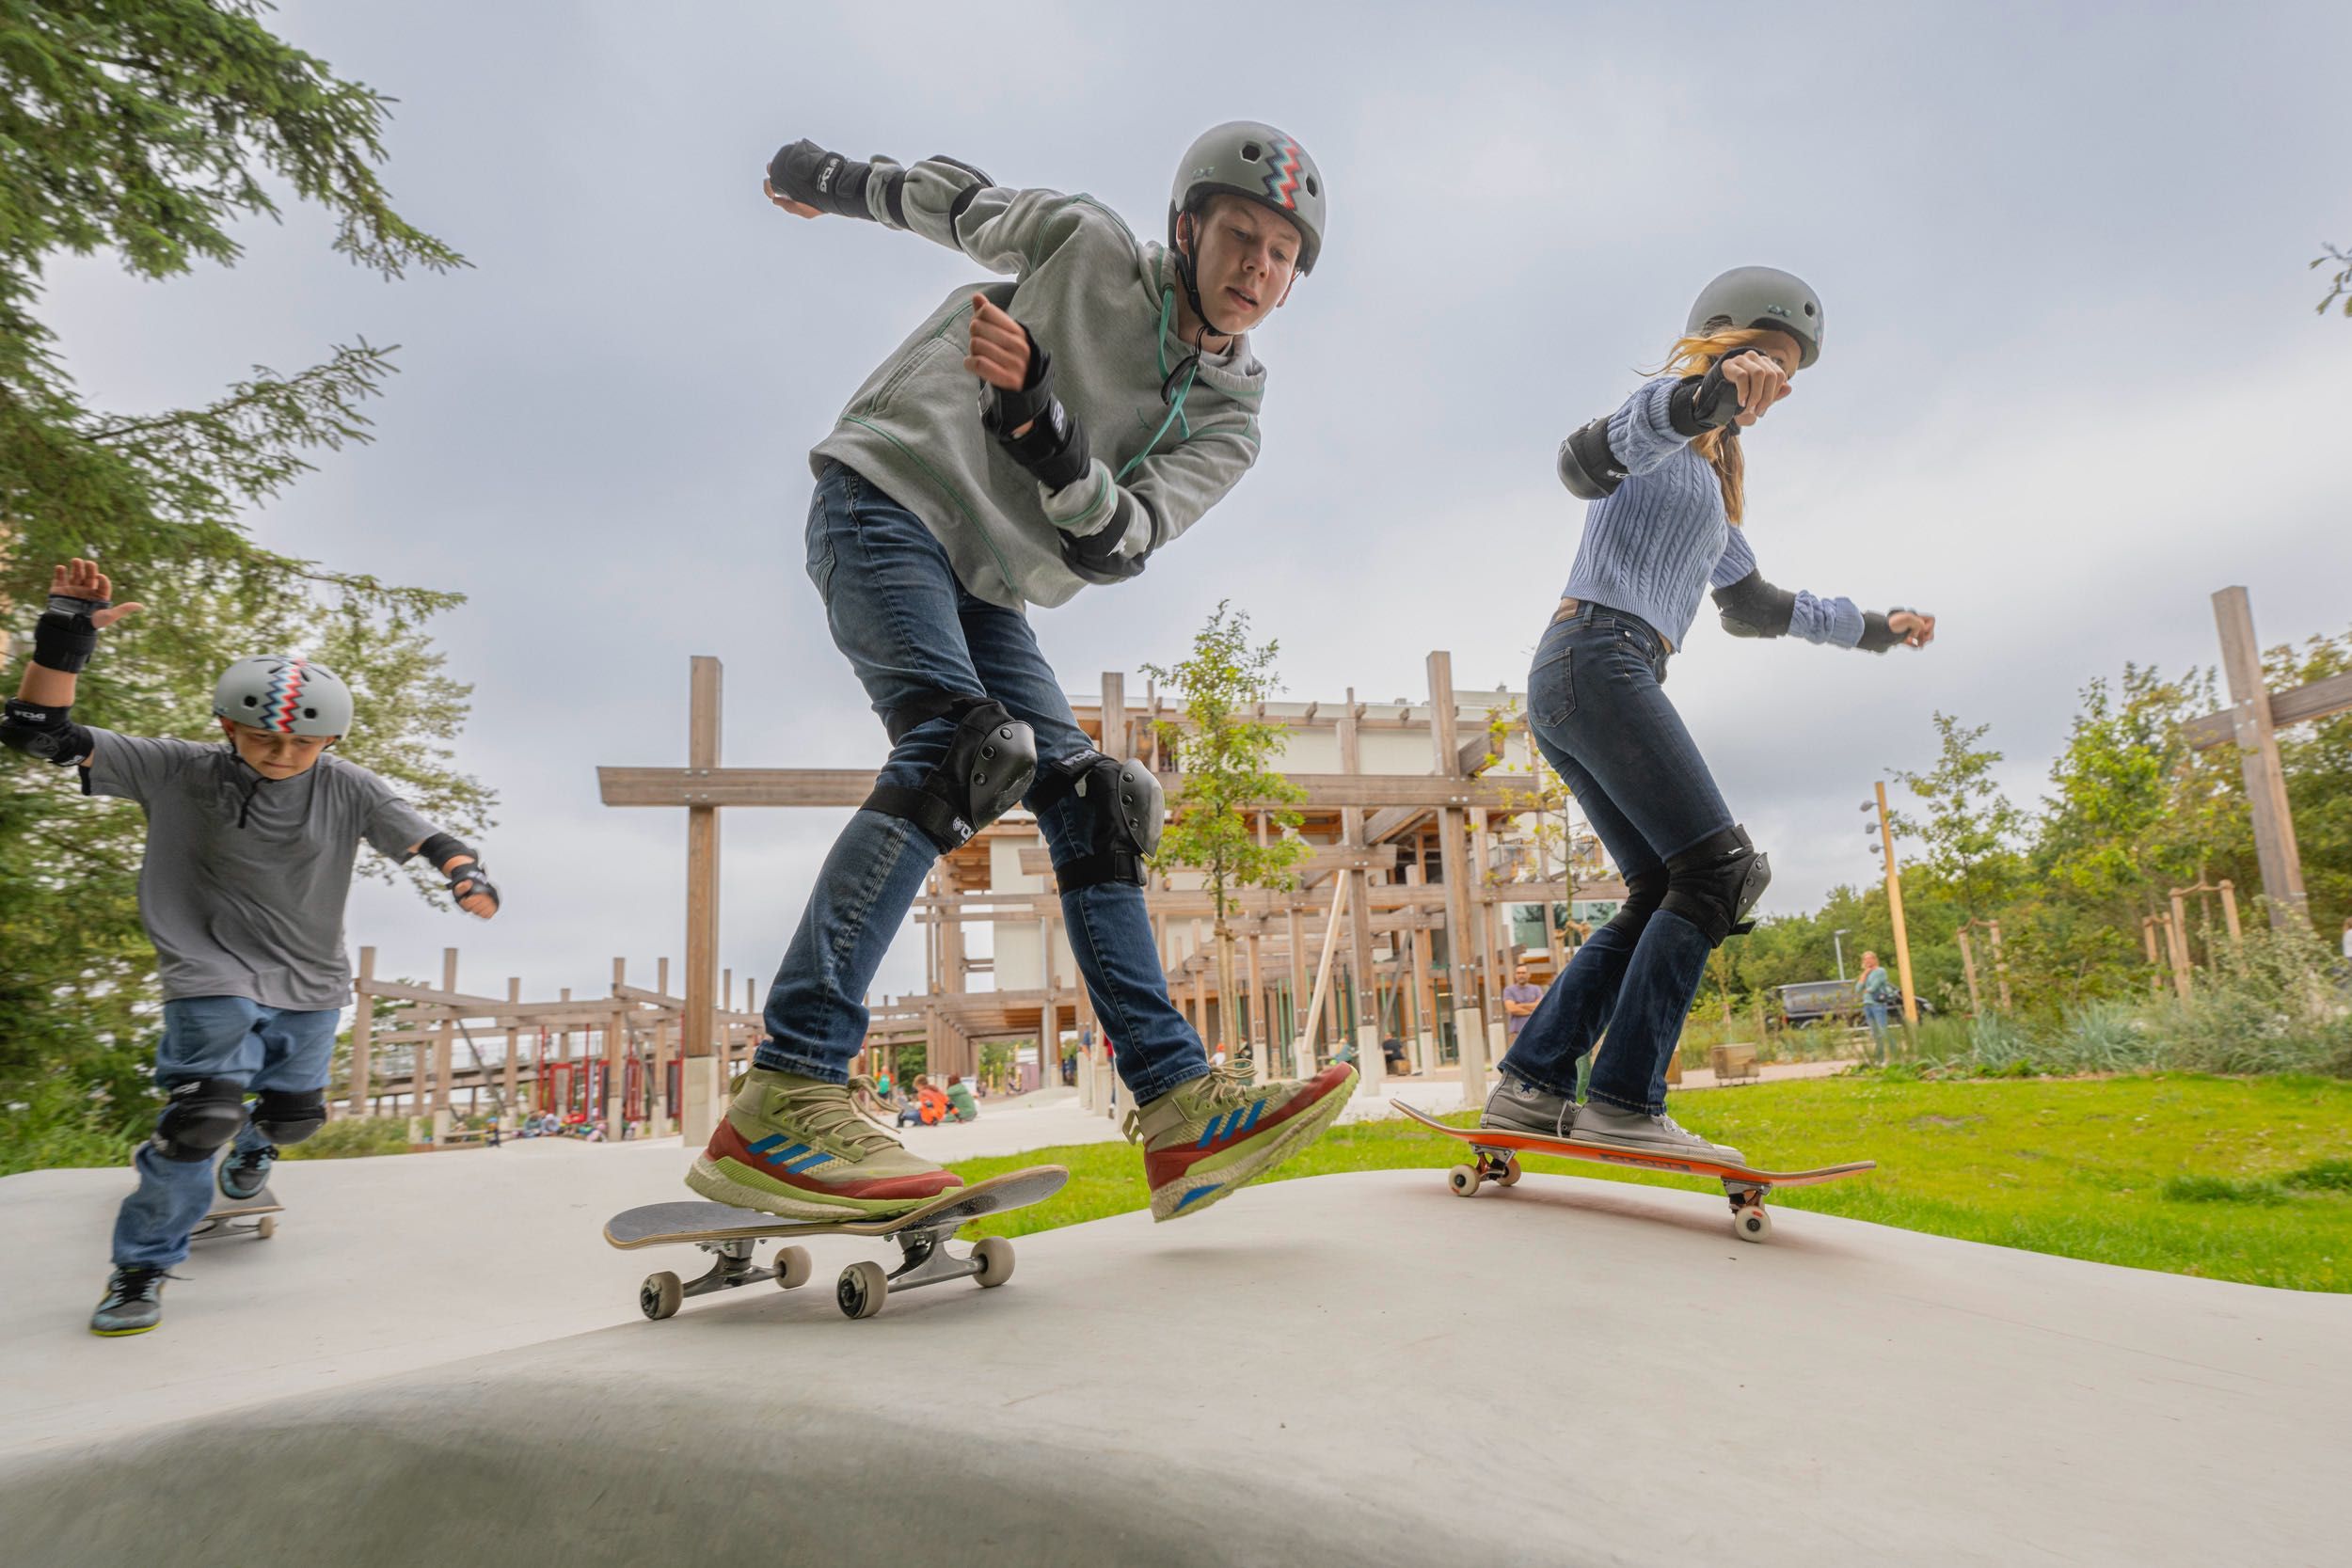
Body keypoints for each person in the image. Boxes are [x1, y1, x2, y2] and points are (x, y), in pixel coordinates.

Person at [689, 122, 1357, 1227]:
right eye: (1238, 236)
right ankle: (786, 1089)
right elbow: (956, 204)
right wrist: (834, 180)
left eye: (1281, 256)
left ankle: (1178, 1107)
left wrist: (1047, 434)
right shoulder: (1085, 244)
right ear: (1187, 228)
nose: (1255, 268)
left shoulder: (1232, 416)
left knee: (1098, 798)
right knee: (963, 750)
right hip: (888, 495)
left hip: (989, 580)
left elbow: (1123, 541)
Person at [1484, 269, 1937, 1162]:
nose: (1776, 381)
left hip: (1589, 673)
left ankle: (1531, 1086)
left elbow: (1760, 605)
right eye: (1766, 357)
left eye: (1788, 370)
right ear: (1721, 339)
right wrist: (1703, 397)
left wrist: (1881, 628)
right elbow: (1587, 459)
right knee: (1722, 873)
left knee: (1665, 887)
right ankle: (1622, 1099)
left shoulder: (1709, 488)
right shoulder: (1659, 414)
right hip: (1597, 658)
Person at [3, 560, 502, 1337]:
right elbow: (39, 736)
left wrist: (464, 875)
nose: (280, 754)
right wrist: (64, 637)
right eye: (262, 738)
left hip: (312, 979)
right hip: (206, 965)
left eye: (301, 745)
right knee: (198, 1117)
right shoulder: (176, 768)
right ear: (226, 727)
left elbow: (431, 836)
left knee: (296, 1115)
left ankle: (262, 1147)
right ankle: (140, 1268)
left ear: (330, 739)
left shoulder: (351, 786)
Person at [1856, 950, 1899, 1062]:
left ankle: (1896, 1054)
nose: (1867, 960)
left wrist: (1866, 989)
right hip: (1867, 1005)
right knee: (1875, 1034)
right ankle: (1880, 1059)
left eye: (1870, 958)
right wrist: (1864, 974)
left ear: (1875, 959)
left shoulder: (1880, 971)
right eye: (1865, 959)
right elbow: (1858, 989)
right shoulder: (1866, 973)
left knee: (1883, 1030)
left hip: (1877, 1004)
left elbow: (1873, 987)